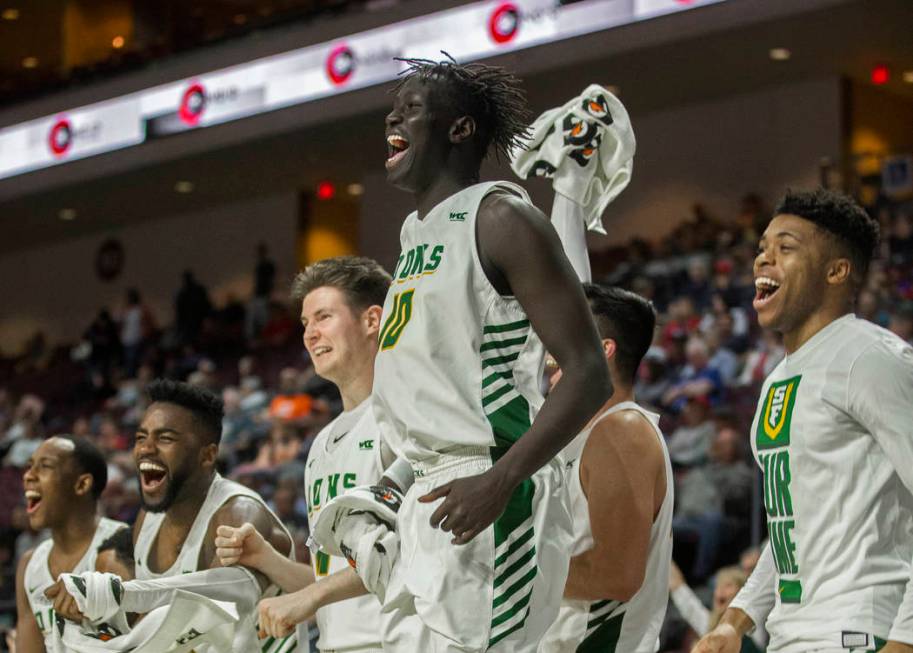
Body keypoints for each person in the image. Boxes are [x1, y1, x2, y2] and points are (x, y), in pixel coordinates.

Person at [371, 56, 611, 651]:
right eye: (393, 105)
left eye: (413, 106)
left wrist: (502, 478)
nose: (393, 116)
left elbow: (588, 374)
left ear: (459, 130)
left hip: (489, 483)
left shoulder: (502, 216)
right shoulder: (414, 233)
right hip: (431, 493)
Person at [692, 189, 913, 653]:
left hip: (860, 630)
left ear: (836, 271)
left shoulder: (872, 358)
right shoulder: (777, 380)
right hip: (792, 633)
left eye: (785, 248)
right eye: (762, 249)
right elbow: (790, 526)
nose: (762, 260)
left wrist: (905, 637)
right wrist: (735, 621)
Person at [216, 256, 415, 650]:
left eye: (323, 317)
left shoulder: (409, 416)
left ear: (372, 320)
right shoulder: (321, 444)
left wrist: (313, 597)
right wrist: (266, 558)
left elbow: (415, 552)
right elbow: (327, 585)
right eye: (306, 323)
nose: (309, 335)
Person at [49, 379, 296, 652]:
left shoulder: (237, 514)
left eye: (165, 438)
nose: (146, 448)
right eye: (141, 437)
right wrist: (94, 613)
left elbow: (217, 607)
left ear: (208, 455)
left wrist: (117, 595)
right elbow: (151, 622)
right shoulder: (148, 519)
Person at [540, 284, 673, 652]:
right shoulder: (587, 434)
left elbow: (616, 574)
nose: (551, 350)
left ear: (603, 349)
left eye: (566, 333)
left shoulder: (622, 430)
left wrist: (518, 570)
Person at [15, 435, 127, 652]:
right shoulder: (29, 564)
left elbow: (149, 638)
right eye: (29, 467)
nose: (29, 476)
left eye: (45, 466)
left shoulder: (123, 544)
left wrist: (88, 625)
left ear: (82, 484)